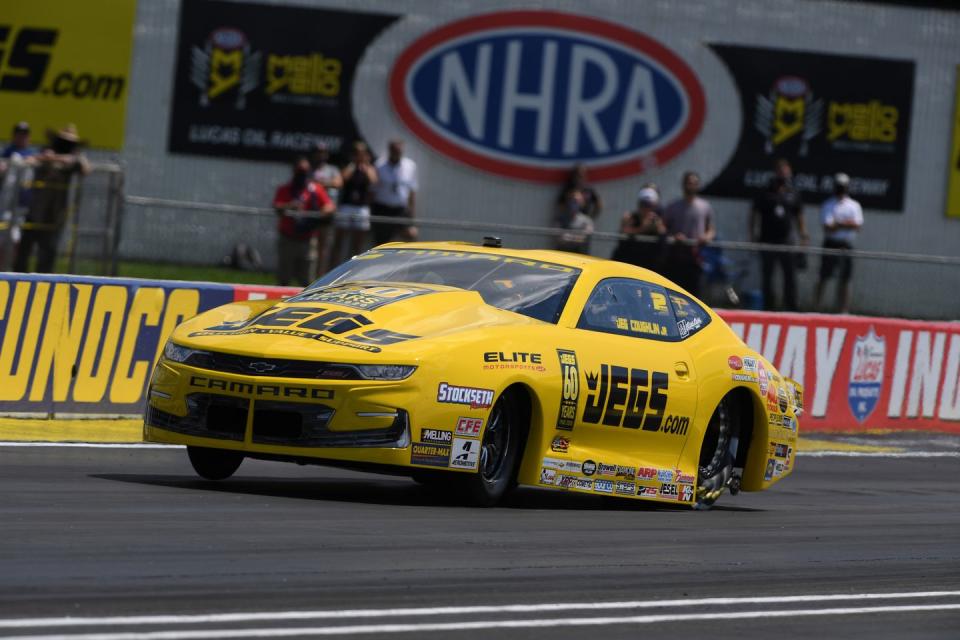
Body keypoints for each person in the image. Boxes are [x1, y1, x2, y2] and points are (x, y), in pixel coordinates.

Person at [12, 124, 89, 274]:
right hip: (34, 212)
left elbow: (84, 168)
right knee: (23, 251)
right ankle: (19, 282)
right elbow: (31, 159)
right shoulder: (44, 152)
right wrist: (47, 158)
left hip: (54, 215)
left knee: (48, 253)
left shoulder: (73, 159)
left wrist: (61, 158)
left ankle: (43, 285)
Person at [272, 156, 335, 287]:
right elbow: (276, 207)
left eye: (305, 171)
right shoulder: (285, 189)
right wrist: (290, 206)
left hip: (308, 240)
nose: (302, 174)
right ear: (294, 171)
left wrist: (322, 212)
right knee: (284, 279)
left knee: (306, 281)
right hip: (288, 239)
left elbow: (330, 206)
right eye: (300, 171)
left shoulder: (315, 189)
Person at [749, 169, 807, 311]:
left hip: (787, 241)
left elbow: (799, 216)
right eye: (780, 175)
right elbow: (754, 214)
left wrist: (803, 235)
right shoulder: (765, 194)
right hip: (767, 240)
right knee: (767, 275)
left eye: (786, 175)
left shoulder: (793, 194)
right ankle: (769, 306)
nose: (783, 179)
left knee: (790, 275)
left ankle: (791, 306)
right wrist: (752, 235)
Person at [661, 171, 716, 296]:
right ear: (683, 185)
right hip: (676, 258)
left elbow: (711, 230)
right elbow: (663, 227)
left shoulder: (704, 207)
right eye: (689, 183)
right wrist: (673, 237)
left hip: (695, 259)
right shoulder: (673, 206)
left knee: (695, 295)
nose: (691, 186)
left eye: (694, 183)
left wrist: (706, 237)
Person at [815, 172, 863, 314]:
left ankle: (844, 310)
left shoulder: (854, 205)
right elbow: (827, 227)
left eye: (843, 186)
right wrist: (846, 223)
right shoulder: (828, 204)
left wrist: (838, 223)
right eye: (838, 186)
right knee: (823, 276)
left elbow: (857, 226)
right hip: (831, 244)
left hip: (846, 245)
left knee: (846, 279)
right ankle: (817, 308)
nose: (840, 189)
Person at [333, 141, 377, 266]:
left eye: (362, 153)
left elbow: (374, 181)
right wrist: (354, 164)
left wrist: (365, 165)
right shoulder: (348, 166)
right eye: (357, 153)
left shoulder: (368, 168)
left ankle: (354, 267)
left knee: (357, 243)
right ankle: (334, 267)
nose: (359, 155)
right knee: (339, 240)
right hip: (346, 205)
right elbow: (343, 179)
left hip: (361, 207)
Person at [371, 139, 418, 245]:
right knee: (381, 242)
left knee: (411, 235)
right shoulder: (379, 165)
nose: (397, 153)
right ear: (390, 150)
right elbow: (372, 191)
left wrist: (412, 216)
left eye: (399, 151)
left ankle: (405, 260)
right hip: (382, 208)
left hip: (400, 209)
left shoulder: (410, 166)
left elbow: (412, 192)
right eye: (394, 151)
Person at [309, 142, 342, 276]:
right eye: (318, 152)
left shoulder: (332, 169)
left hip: (327, 213)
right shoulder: (310, 169)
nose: (320, 155)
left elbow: (338, 183)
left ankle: (321, 275)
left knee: (324, 248)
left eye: (323, 152)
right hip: (312, 212)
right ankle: (309, 275)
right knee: (312, 247)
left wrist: (320, 184)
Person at [612, 187, 665, 270]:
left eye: (649, 205)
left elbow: (663, 239)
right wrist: (642, 229)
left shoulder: (656, 221)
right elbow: (623, 236)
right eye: (643, 204)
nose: (646, 208)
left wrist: (658, 229)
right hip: (628, 263)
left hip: (648, 265)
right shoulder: (630, 218)